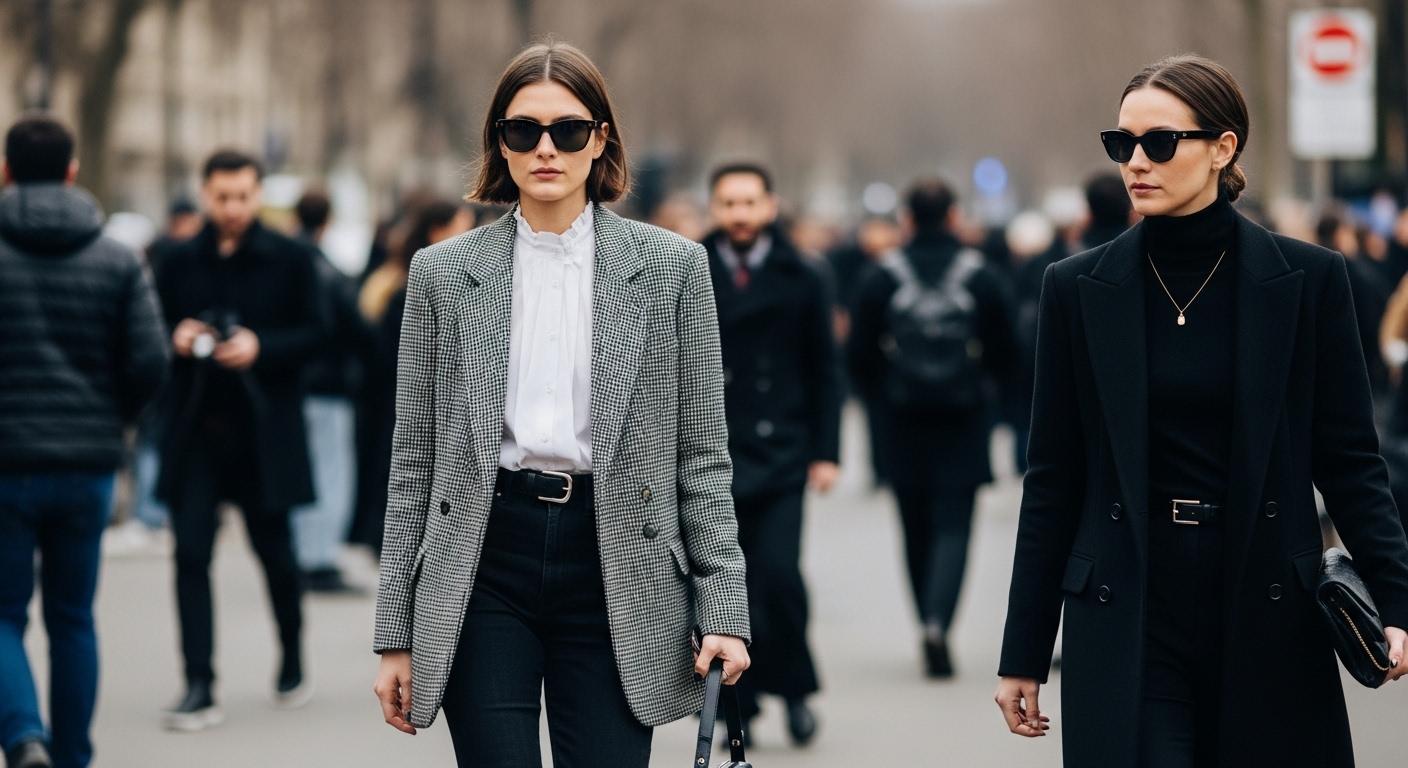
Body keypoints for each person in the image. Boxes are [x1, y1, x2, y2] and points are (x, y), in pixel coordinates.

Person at [994, 55, 1408, 768]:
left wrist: (1398, 599)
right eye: (1121, 144)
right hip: (1128, 602)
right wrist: (1023, 651)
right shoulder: (1077, 288)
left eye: (1159, 143)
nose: (1136, 163)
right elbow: (1054, 477)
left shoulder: (1308, 281)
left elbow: (1348, 459)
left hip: (1269, 597)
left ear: (1224, 149)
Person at [370, 42, 750, 767]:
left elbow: (702, 456)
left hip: (617, 561)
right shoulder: (442, 274)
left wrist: (724, 609)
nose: (546, 149)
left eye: (569, 130)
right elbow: (413, 458)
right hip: (483, 559)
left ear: (601, 139)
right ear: (500, 143)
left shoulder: (673, 268)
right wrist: (395, 631)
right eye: (523, 131)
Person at [0, 114, 168, 768]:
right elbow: (151, 362)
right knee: (74, 617)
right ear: (73, 171)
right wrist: (111, 417)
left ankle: (22, 738)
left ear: (7, 171)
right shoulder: (117, 257)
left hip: (5, 465)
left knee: (5, 613)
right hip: (88, 466)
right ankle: (70, 756)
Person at [154, 149, 323, 730]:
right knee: (190, 555)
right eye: (222, 197)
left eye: (243, 196)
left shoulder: (291, 258)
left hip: (263, 433)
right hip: (197, 430)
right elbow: (147, 329)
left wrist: (260, 347)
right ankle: (199, 682)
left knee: (276, 554)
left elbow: (320, 335)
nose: (232, 208)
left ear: (258, 194)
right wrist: (175, 337)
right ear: (205, 194)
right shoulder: (175, 261)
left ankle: (292, 655)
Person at [848, 178, 1016, 678]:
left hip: (901, 420)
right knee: (954, 526)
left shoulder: (882, 276)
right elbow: (1007, 350)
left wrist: (884, 394)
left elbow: (858, 353)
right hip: (964, 420)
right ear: (953, 217)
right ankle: (941, 621)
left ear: (907, 218)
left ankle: (924, 615)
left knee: (914, 525)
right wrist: (985, 391)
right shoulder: (981, 275)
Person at [703, 162, 842, 746]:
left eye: (749, 202)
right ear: (715, 208)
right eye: (728, 203)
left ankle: (796, 690)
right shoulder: (688, 269)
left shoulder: (805, 274)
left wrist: (825, 451)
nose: (739, 215)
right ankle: (743, 704)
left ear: (770, 206)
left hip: (783, 449)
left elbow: (824, 369)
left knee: (780, 577)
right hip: (710, 453)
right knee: (723, 585)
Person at [354, 198, 472, 558]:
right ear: (439, 231)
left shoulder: (391, 278)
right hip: (400, 394)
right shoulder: (409, 287)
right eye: (463, 226)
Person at [289, 189, 369, 593]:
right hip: (329, 386)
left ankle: (301, 553)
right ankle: (318, 558)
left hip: (295, 384)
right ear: (328, 220)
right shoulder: (328, 270)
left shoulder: (289, 263)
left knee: (303, 472)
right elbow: (354, 327)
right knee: (330, 472)